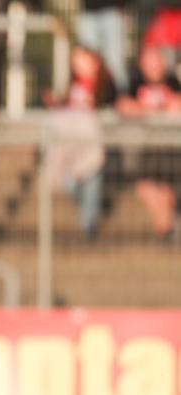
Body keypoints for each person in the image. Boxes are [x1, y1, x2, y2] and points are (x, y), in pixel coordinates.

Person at [44, 46, 116, 239]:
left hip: (92, 142)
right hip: (72, 143)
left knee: (92, 184)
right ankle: (87, 216)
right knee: (70, 183)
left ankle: (89, 226)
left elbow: (108, 102)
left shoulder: (103, 85)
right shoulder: (72, 85)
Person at [117, 45, 181, 239]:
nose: (154, 66)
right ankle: (166, 229)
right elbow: (124, 105)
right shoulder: (135, 81)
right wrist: (154, 110)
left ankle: (166, 230)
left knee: (168, 191)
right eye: (150, 62)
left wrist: (153, 108)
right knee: (147, 187)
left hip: (172, 148)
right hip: (148, 147)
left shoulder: (172, 81)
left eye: (157, 61)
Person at [77, 1, 130, 93]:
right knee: (88, 62)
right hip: (88, 11)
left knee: (114, 61)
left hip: (111, 10)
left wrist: (122, 5)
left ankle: (121, 94)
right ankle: (90, 95)